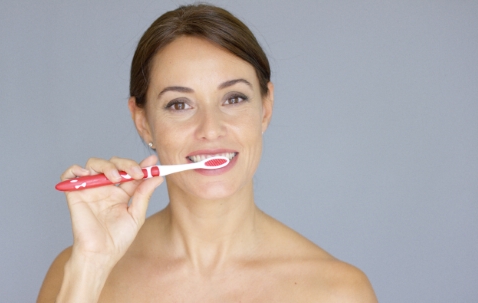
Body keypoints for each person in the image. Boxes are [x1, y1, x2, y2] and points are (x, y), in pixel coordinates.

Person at [37, 4, 377, 302]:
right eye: (179, 104)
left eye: (234, 98)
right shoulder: (77, 273)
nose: (210, 128)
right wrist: (91, 266)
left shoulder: (339, 292)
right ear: (142, 122)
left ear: (266, 109)